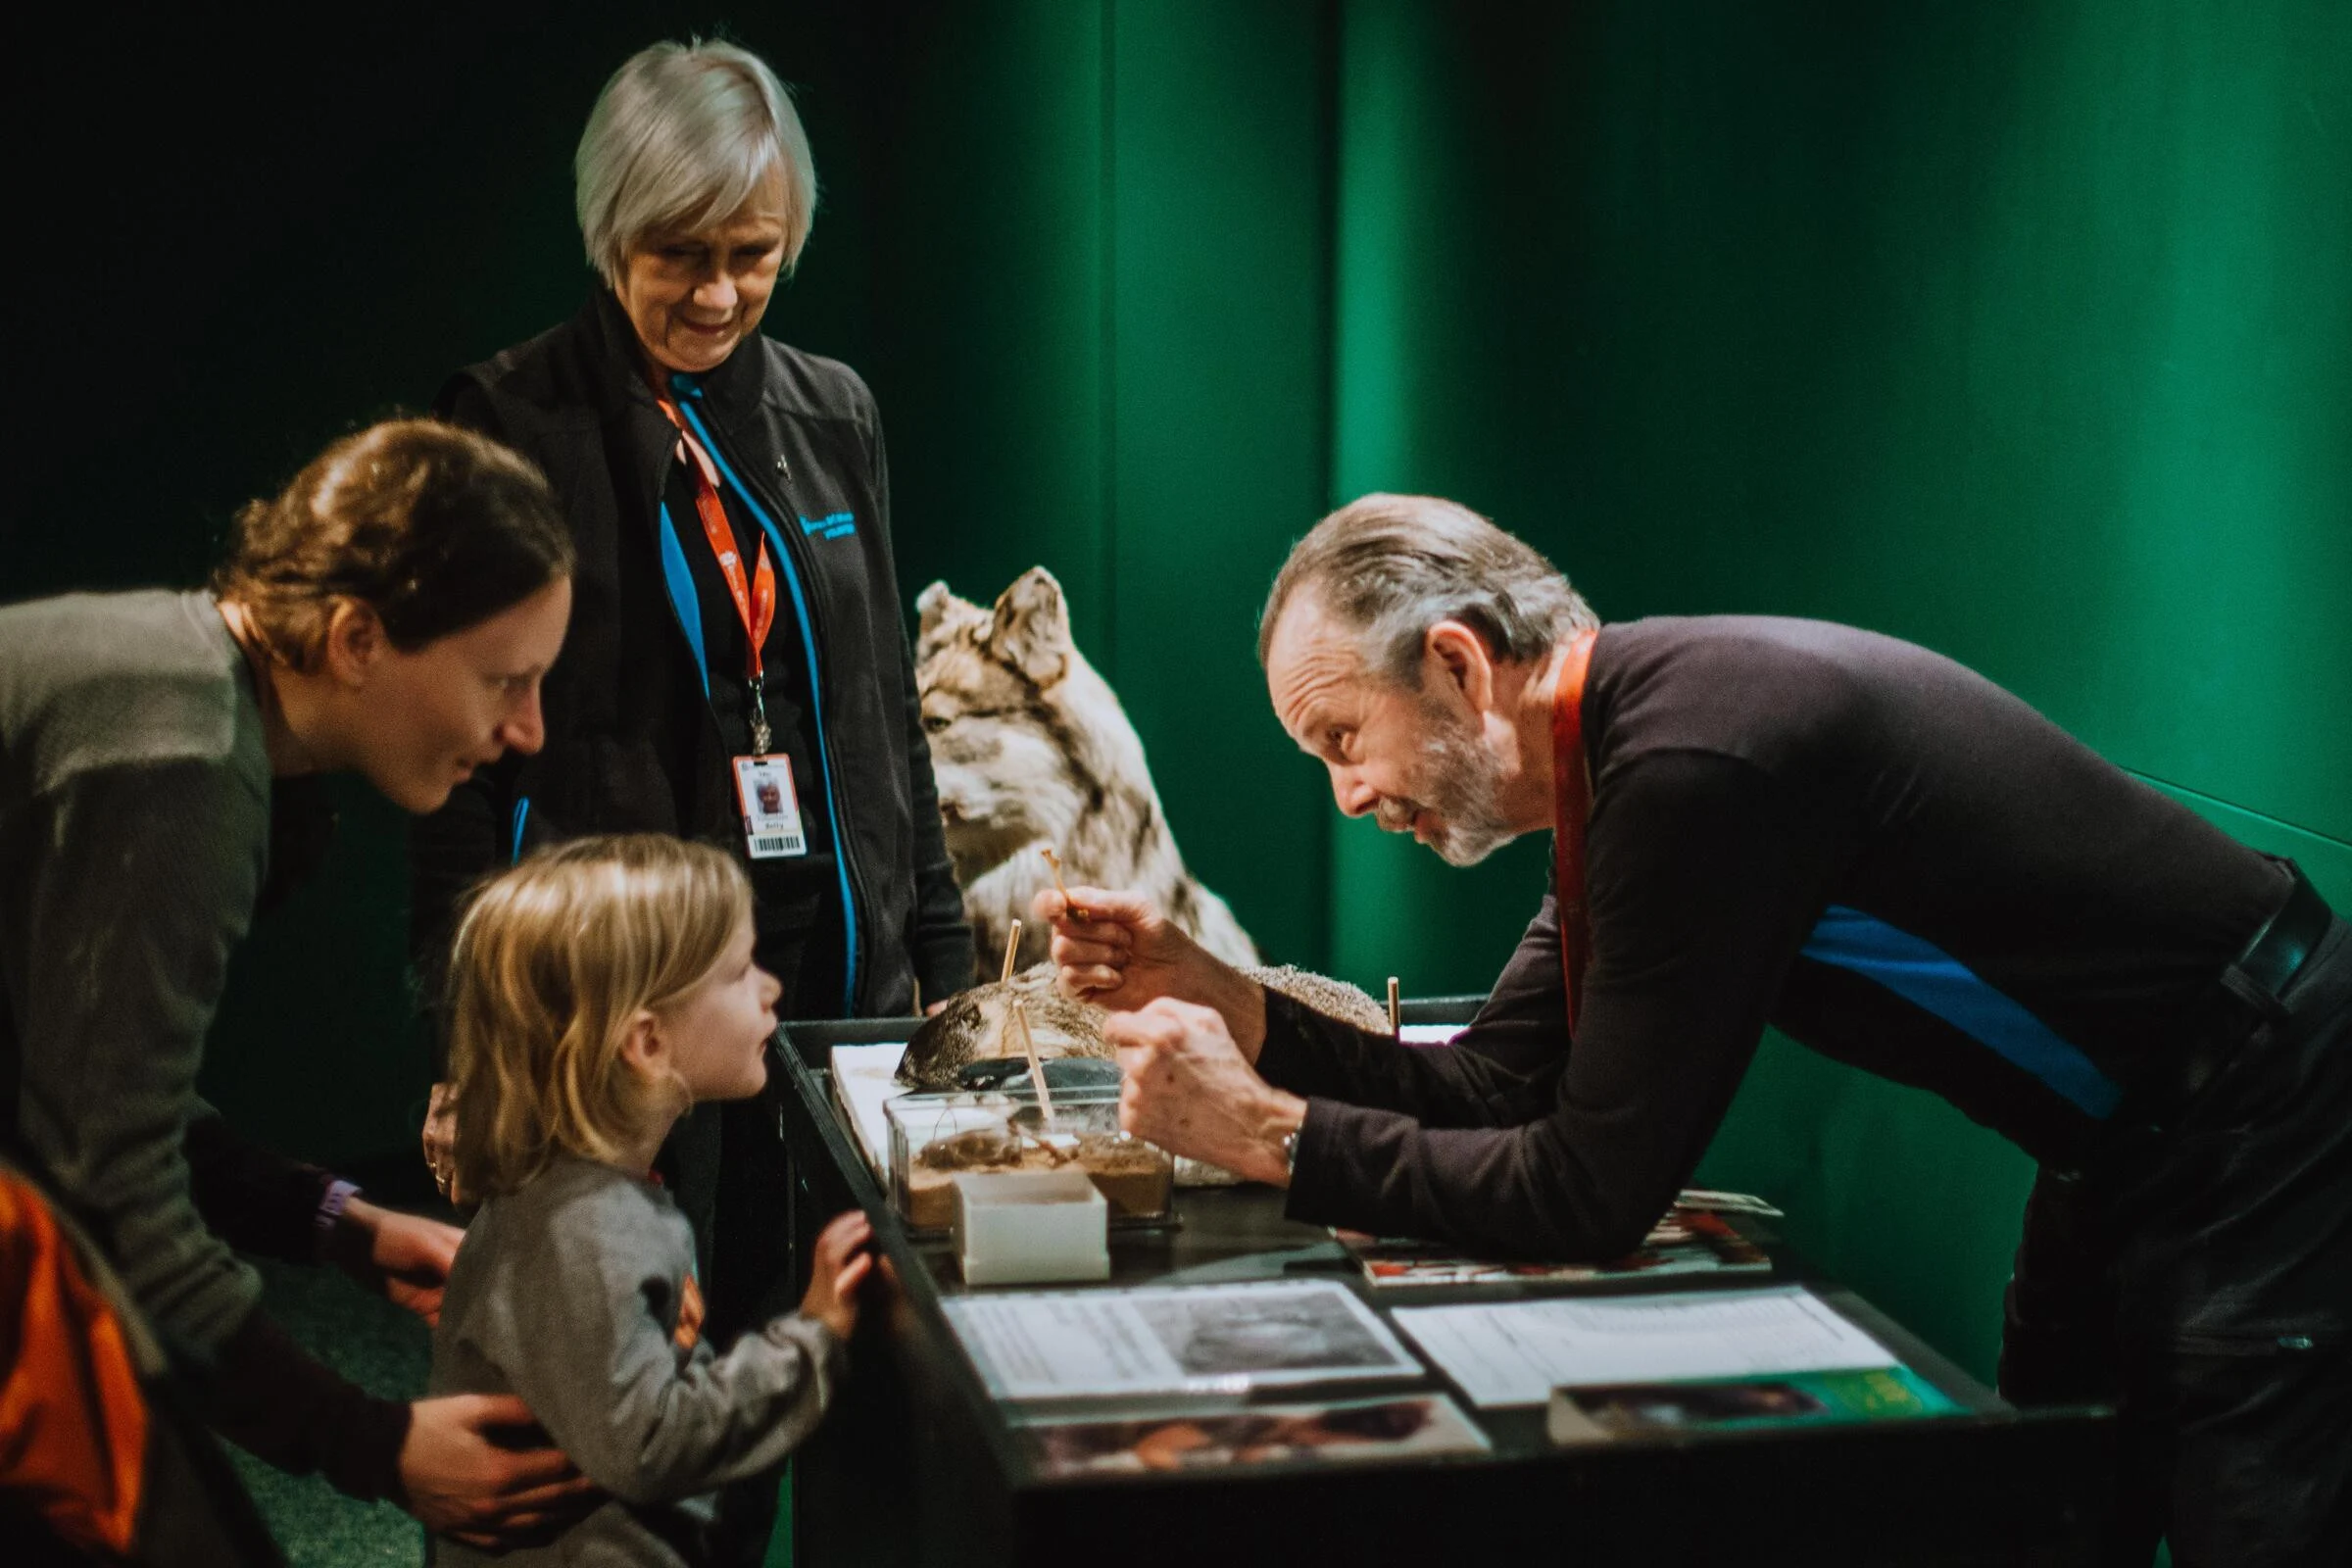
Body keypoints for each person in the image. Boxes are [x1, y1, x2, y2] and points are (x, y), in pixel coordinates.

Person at [1040, 493, 2350, 1566]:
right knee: (2050, 1501)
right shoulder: (1622, 759)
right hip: (2128, 1136)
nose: (1348, 795)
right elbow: (1501, 1085)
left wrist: (1269, 1135)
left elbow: (1588, 1189)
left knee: (2241, 1516)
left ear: (1453, 662)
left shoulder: (1690, 769)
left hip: (2268, 1101)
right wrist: (1231, 998)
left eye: (1343, 738)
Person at [411, 34, 969, 1383]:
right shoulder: (509, 416)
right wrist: (460, 1037)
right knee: (641, 1377)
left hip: (835, 977)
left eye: (754, 252)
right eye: (680, 253)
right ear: (611, 233)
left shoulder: (836, 411)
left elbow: (887, 709)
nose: (720, 292)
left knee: (852, 1369)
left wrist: (941, 960)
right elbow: (455, 762)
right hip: (628, 1004)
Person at [0, 418, 593, 1544]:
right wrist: (374, 1441)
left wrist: (340, 1223)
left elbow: (80, 1097)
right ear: (358, 637)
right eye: (504, 680)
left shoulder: (184, 692)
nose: (526, 730)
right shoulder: (175, 759)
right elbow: (109, 1191)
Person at [427, 834, 871, 1568]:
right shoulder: (586, 1229)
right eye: (739, 972)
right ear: (648, 1042)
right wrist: (813, 1339)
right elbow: (648, 1441)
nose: (770, 990)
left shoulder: (581, 1195)